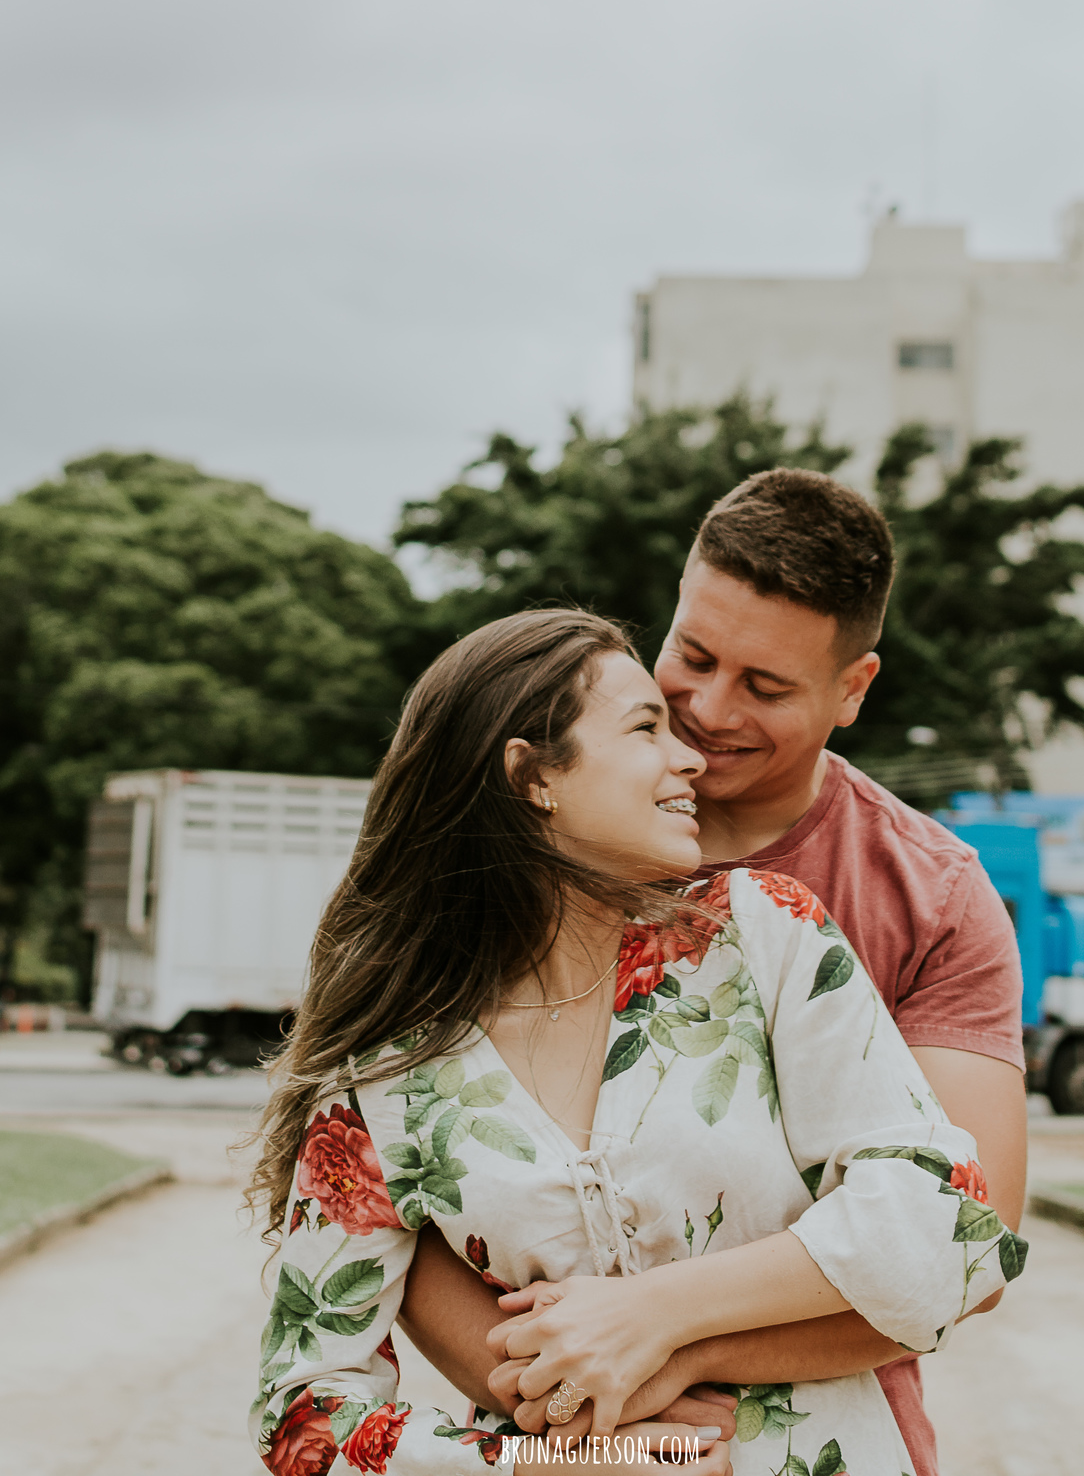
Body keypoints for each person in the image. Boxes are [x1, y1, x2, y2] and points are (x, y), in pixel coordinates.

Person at [249, 606, 1024, 1476]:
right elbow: (301, 1413)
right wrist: (541, 1468)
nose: (689, 756)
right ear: (532, 775)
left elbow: (950, 1224)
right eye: (646, 728)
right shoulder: (384, 1080)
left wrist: (655, 1318)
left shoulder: (763, 935)